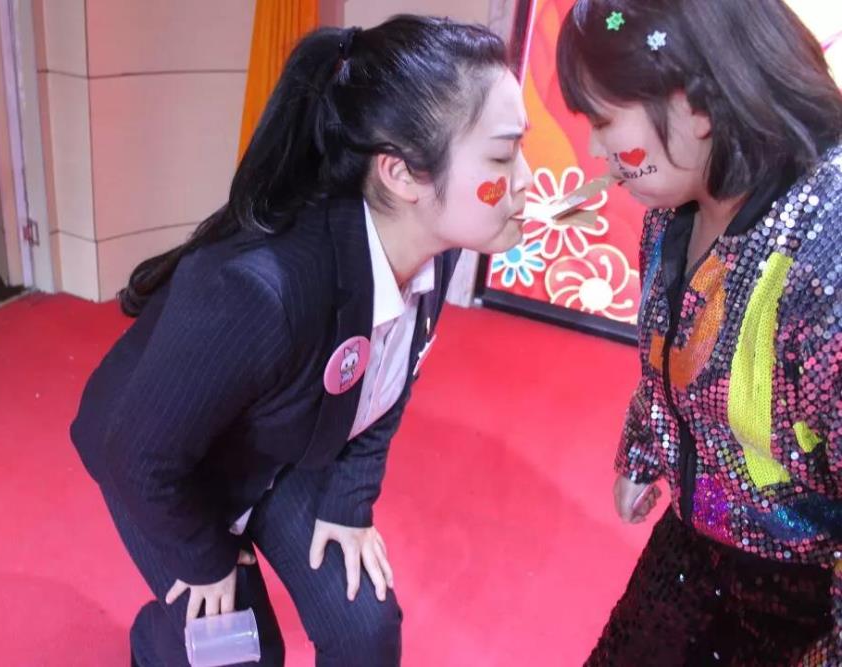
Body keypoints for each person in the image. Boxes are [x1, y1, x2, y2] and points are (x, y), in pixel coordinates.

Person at [70, 15, 532, 667]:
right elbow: (138, 455)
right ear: (401, 173)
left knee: (365, 630)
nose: (527, 177)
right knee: (241, 652)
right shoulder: (259, 291)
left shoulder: (438, 247)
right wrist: (205, 559)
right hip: (164, 467)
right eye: (503, 155)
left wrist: (350, 502)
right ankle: (158, 640)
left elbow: (388, 381)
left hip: (284, 437)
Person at [556, 0, 842, 663]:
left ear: (696, 103)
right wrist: (647, 448)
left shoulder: (825, 254)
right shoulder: (676, 205)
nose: (596, 150)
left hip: (804, 596)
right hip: (691, 546)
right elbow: (669, 355)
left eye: (603, 121)